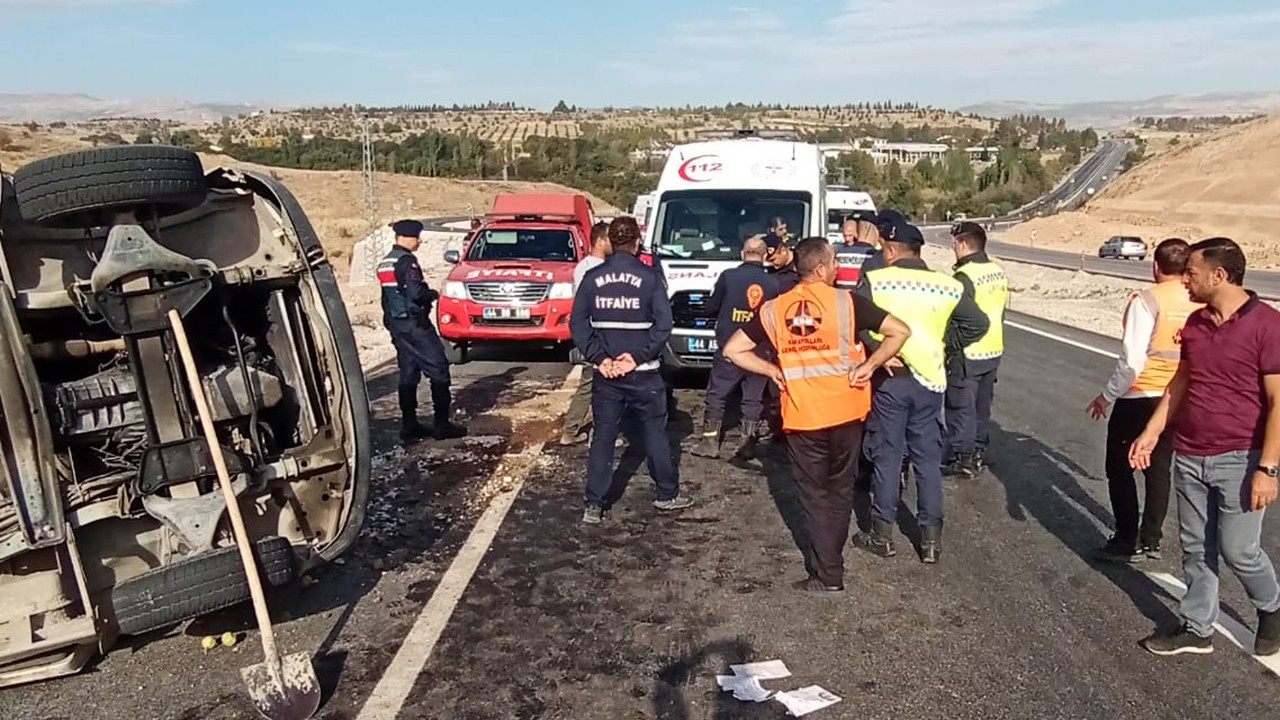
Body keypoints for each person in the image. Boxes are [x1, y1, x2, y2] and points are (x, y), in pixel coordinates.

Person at [723, 237, 911, 592]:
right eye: (835, 260)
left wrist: (770, 371)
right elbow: (899, 332)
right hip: (847, 410)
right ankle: (830, 566)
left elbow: (734, 350)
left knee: (813, 496)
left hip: (802, 415)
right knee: (840, 491)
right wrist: (871, 365)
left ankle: (827, 573)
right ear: (822, 269)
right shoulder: (848, 303)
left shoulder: (772, 310)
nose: (838, 266)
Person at [1130, 237, 1280, 658]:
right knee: (1196, 547)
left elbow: (1277, 402)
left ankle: (1272, 606)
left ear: (1220, 275)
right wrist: (1153, 431)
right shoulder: (1195, 325)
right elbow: (1181, 383)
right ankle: (1197, 627)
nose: (1186, 281)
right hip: (1191, 453)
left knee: (1239, 550)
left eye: (1192, 273)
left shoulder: (1268, 325)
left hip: (1241, 457)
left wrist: (1268, 469)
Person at [852, 220, 989, 564]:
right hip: (930, 380)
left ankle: (882, 533)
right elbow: (979, 324)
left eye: (885, 248)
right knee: (927, 459)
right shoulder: (948, 285)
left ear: (893, 250)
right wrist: (947, 346)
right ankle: (930, 541)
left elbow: (856, 321)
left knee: (888, 454)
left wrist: (876, 349)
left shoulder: (878, 280)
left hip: (892, 377)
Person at [571, 216, 693, 524]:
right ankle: (666, 494)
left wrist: (600, 358)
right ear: (637, 242)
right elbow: (664, 325)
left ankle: (594, 505)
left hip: (607, 375)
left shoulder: (592, 278)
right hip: (645, 373)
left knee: (603, 437)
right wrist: (636, 357)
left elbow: (577, 324)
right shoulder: (650, 278)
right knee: (655, 434)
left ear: (610, 241)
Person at [1087, 238, 1200, 563]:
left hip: (1140, 395)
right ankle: (1151, 540)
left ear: (1155, 266)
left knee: (1120, 468)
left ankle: (1125, 539)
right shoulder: (1198, 301)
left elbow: (1132, 360)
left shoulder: (1147, 300)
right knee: (1159, 468)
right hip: (1176, 398)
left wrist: (1106, 396)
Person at [378, 219, 468, 442]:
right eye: (417, 236)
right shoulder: (407, 262)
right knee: (439, 369)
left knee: (408, 374)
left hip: (398, 326)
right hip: (416, 326)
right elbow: (416, 294)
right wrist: (432, 294)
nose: (420, 240)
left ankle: (409, 425)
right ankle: (441, 425)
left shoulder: (386, 262)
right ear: (405, 237)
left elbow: (387, 299)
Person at [692, 235, 779, 459]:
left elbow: (711, 307)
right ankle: (747, 444)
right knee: (753, 397)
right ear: (765, 255)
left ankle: (710, 442)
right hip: (760, 351)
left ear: (742, 254)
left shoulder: (728, 277)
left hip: (729, 347)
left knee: (717, 394)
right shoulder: (774, 284)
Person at [942, 221, 1009, 477]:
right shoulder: (998, 271)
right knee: (982, 406)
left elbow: (964, 319)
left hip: (968, 353)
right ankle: (979, 450)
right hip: (993, 351)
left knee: (961, 407)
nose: (952, 247)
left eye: (954, 242)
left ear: (961, 244)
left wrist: (949, 342)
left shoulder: (964, 277)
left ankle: (963, 458)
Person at [560, 221, 613, 445]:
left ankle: (572, 430)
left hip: (590, 332)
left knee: (591, 384)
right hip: (596, 333)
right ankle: (578, 431)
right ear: (600, 241)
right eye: (611, 239)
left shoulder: (584, 267)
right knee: (595, 385)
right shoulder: (593, 269)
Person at [834, 218, 877, 290]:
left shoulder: (837, 251)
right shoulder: (871, 253)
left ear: (856, 234)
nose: (847, 239)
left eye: (850, 235)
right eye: (845, 236)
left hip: (842, 295)